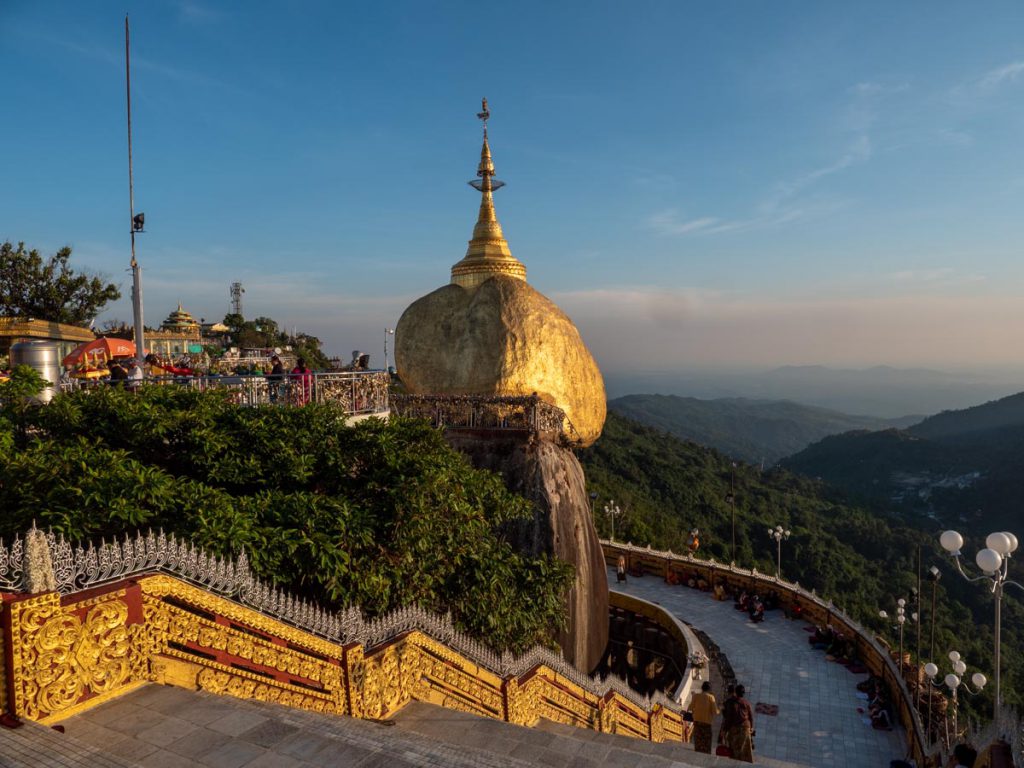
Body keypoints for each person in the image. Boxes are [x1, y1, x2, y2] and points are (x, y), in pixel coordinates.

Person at [721, 683, 754, 762]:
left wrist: (724, 730)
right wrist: (751, 728)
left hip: (735, 729)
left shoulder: (731, 702)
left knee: (735, 751)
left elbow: (729, 718)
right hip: (746, 728)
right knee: (745, 751)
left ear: (735, 692)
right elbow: (751, 717)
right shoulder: (747, 703)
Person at [688, 681, 719, 754]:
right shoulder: (711, 697)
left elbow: (690, 707)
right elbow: (715, 712)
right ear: (709, 689)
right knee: (706, 743)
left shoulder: (696, 696)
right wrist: (720, 709)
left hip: (697, 722)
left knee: (698, 740)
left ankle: (698, 753)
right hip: (707, 724)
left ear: (702, 688)